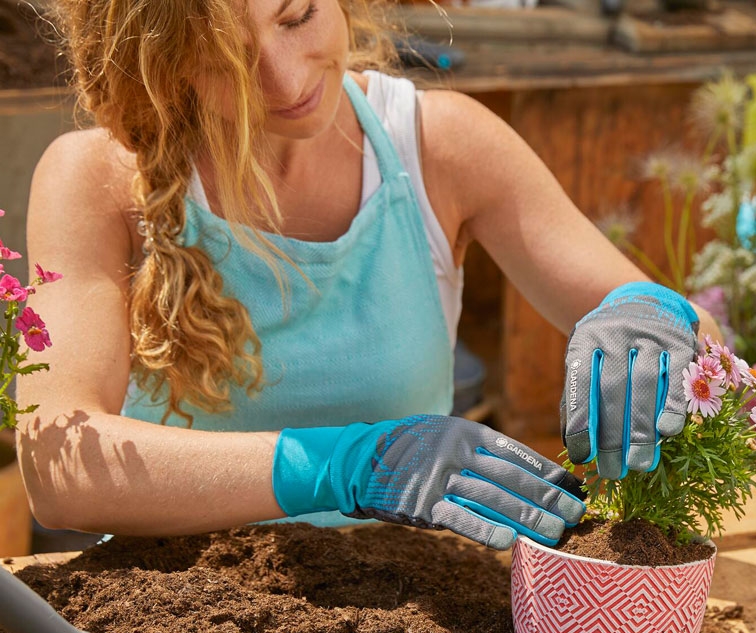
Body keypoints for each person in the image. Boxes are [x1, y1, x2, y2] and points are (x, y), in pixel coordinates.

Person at [17, 0, 719, 552]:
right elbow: (58, 468)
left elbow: (694, 338)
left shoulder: (437, 148)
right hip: (178, 622)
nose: (286, 80)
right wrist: (341, 465)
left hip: (408, 621)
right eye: (220, 60)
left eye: (298, 18)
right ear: (158, 65)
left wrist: (649, 318)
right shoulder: (100, 179)